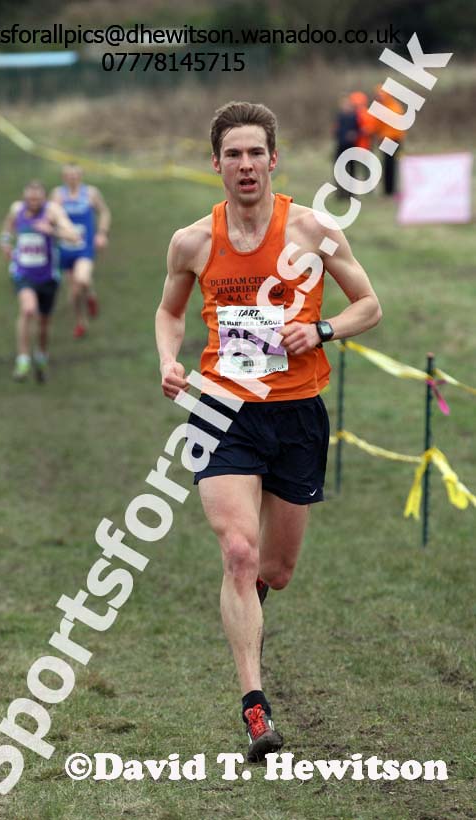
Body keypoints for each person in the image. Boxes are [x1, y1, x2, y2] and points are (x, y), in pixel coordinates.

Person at [155, 101, 382, 762]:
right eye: (234, 154)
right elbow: (169, 313)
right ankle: (255, 710)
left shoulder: (312, 230)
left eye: (257, 152)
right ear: (217, 164)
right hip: (222, 413)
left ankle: (244, 603)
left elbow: (369, 304)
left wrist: (320, 329)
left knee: (274, 571)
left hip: (296, 414)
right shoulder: (192, 241)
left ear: (274, 159)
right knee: (237, 550)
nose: (246, 164)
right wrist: (169, 361)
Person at [0, 181, 81, 382]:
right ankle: (23, 359)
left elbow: (74, 236)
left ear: (43, 198)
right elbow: (7, 226)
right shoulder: (17, 209)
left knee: (44, 324)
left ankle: (41, 356)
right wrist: (5, 242)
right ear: (24, 197)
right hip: (23, 272)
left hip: (47, 277)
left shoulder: (52, 212)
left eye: (37, 199)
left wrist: (51, 230)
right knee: (28, 310)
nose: (32, 203)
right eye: (29, 199)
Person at [51, 164, 111, 338]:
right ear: (63, 177)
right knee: (75, 292)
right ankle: (80, 321)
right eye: (69, 175)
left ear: (81, 176)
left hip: (84, 247)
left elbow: (104, 212)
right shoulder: (57, 195)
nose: (72, 178)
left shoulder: (91, 193)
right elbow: (51, 217)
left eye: (75, 175)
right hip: (64, 248)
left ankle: (90, 295)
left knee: (82, 280)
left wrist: (101, 233)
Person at [369, 86, 405, 196]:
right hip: (387, 140)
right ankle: (388, 190)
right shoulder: (388, 107)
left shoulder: (393, 107)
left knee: (391, 165)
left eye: (380, 95)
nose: (379, 97)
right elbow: (376, 125)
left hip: (392, 140)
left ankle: (390, 190)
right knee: (388, 164)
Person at [333, 96, 359, 198]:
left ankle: (351, 194)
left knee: (352, 171)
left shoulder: (354, 117)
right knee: (340, 171)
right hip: (341, 147)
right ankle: (340, 194)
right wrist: (344, 135)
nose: (346, 107)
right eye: (344, 104)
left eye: (347, 104)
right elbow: (336, 132)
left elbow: (359, 129)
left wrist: (354, 134)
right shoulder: (339, 117)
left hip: (351, 148)